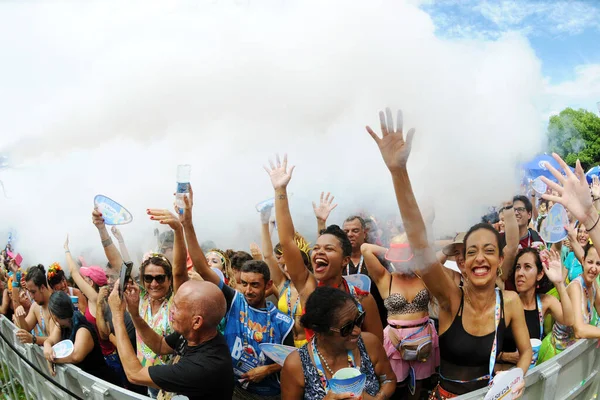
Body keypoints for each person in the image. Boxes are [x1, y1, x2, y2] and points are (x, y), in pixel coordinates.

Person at [366, 108, 529, 398]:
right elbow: (419, 245)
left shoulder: (511, 302)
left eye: (489, 250)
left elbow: (526, 351)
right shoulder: (450, 299)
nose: (481, 257)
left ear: (499, 260)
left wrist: (517, 376)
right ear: (462, 263)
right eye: (472, 252)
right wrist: (399, 172)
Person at [181, 186, 294, 400]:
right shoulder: (234, 301)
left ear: (268, 284)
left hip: (268, 395)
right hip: (232, 390)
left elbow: (294, 358)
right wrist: (187, 223)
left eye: (254, 285)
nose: (248, 291)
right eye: (244, 284)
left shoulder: (282, 321)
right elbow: (202, 267)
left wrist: (267, 370)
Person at [265, 155, 384, 343]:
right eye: (317, 248)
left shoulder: (362, 299)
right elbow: (287, 241)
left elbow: (377, 345)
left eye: (328, 248)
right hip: (315, 371)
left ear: (345, 260)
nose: (319, 252)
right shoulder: (308, 287)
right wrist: (280, 190)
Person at [108, 279, 234, 400]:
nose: (171, 310)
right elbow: (160, 345)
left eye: (176, 307)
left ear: (196, 321)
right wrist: (134, 314)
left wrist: (117, 317)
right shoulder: (194, 334)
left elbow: (135, 374)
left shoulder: (203, 366)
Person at [281, 287, 396, 400]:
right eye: (347, 328)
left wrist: (376, 399)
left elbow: (389, 380)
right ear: (320, 332)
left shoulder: (369, 344)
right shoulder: (296, 365)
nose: (357, 331)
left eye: (359, 319)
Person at [362, 237, 438, 400]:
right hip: (395, 339)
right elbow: (365, 249)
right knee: (395, 385)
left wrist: (412, 252)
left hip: (423, 336)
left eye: (405, 258)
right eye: (397, 259)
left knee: (417, 387)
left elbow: (437, 255)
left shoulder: (423, 275)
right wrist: (394, 251)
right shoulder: (385, 278)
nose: (401, 262)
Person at [64, 236, 128, 386]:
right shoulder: (101, 298)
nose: (81, 280)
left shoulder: (94, 297)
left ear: (91, 283)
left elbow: (73, 272)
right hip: (111, 356)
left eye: (84, 278)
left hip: (109, 358)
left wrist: (66, 249)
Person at [497, 248, 574, 369]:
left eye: (527, 267)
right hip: (502, 375)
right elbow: (482, 350)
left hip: (531, 375)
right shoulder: (505, 302)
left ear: (539, 274)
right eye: (518, 267)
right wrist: (506, 356)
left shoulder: (544, 302)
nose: (520, 273)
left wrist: (559, 283)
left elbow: (569, 321)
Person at [537, 244, 600, 363]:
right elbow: (579, 330)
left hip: (574, 354)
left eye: (598, 264)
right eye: (590, 262)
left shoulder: (593, 285)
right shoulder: (576, 287)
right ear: (583, 261)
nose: (594, 268)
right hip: (556, 356)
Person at [43, 291, 119, 385]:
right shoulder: (61, 325)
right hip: (86, 384)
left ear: (54, 316)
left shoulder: (82, 328)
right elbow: (51, 340)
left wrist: (52, 359)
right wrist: (47, 346)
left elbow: (76, 356)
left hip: (102, 383)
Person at [261, 204, 310, 348]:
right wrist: (264, 223)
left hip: (308, 345)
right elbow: (268, 255)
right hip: (284, 345)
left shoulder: (312, 285)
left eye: (292, 263)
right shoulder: (283, 284)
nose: (287, 268)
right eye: (285, 264)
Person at [13, 265, 57, 346]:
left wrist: (33, 339)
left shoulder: (56, 305)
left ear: (42, 288)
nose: (31, 296)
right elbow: (26, 328)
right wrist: (20, 316)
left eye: (33, 292)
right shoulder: (35, 306)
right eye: (29, 292)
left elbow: (55, 340)